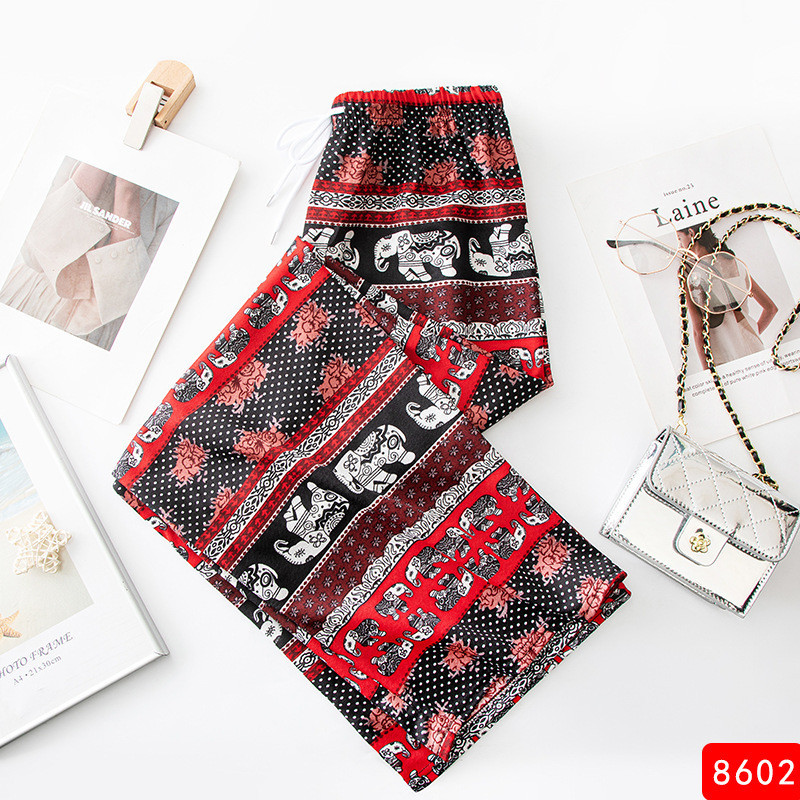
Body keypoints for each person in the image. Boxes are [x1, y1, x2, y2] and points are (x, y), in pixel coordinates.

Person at [677, 226, 778, 366]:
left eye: (679, 238)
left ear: (691, 233)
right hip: (753, 345)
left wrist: (707, 372)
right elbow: (771, 309)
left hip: (723, 352)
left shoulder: (689, 273)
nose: (679, 245)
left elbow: (698, 330)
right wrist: (753, 333)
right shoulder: (733, 261)